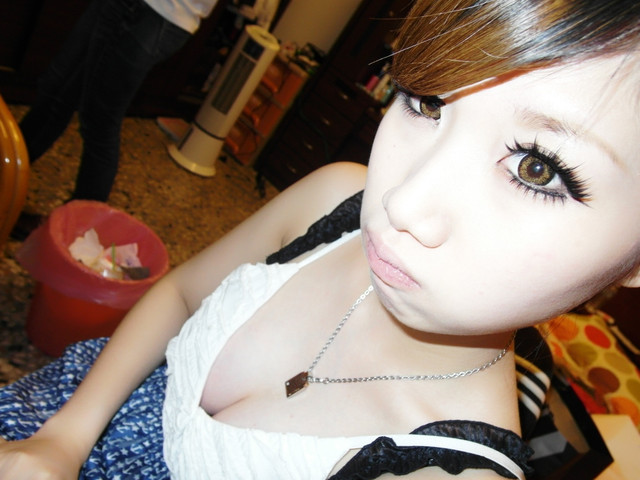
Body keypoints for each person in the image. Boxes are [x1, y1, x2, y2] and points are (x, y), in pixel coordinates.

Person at [2, 0, 640, 478]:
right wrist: (66, 436)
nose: (402, 202)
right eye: (426, 102)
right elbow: (180, 295)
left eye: (537, 168)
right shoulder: (337, 197)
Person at [11, 0, 219, 239]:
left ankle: (72, 234)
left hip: (157, 13)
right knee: (57, 91)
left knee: (98, 122)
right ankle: (7, 180)